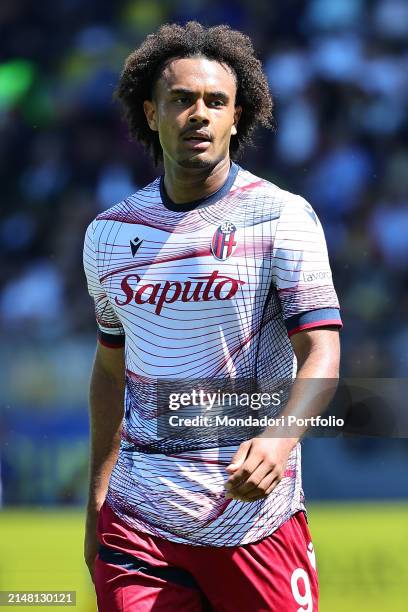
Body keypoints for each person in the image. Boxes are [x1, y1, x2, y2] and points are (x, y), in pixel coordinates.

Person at [83, 21, 341, 611]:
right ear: (151, 114)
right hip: (139, 523)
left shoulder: (282, 217)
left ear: (235, 117)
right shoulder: (109, 234)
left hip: (252, 519)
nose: (198, 113)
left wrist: (279, 441)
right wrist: (98, 497)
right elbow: (108, 368)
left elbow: (322, 353)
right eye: (181, 99)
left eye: (215, 102)